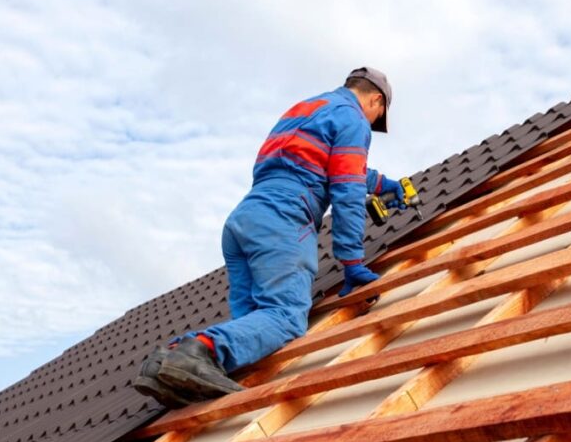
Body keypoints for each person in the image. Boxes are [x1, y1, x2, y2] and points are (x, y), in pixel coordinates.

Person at [134, 67, 405, 407]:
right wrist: (352, 262)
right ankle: (196, 351)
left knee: (253, 326)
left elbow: (323, 165)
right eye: (376, 116)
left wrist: (383, 184)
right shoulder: (353, 119)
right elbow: (346, 189)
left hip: (246, 219)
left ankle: (167, 361)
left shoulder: (305, 109)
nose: (371, 124)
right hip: (283, 218)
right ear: (375, 100)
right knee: (285, 316)